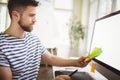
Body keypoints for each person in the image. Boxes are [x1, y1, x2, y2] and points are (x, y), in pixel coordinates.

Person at [0, 0, 91, 80]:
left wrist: (76, 62)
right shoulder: (2, 46)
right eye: (31, 15)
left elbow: (51, 58)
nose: (35, 20)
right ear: (15, 15)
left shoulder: (34, 39)